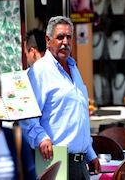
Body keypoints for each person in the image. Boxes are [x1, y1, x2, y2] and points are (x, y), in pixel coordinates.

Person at [20, 16, 101, 179]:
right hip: (54, 161)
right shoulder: (39, 72)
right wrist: (41, 138)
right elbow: (27, 117)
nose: (65, 41)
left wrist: (90, 153)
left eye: (69, 37)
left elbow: (79, 115)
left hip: (81, 165)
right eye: (60, 37)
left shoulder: (74, 68)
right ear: (48, 40)